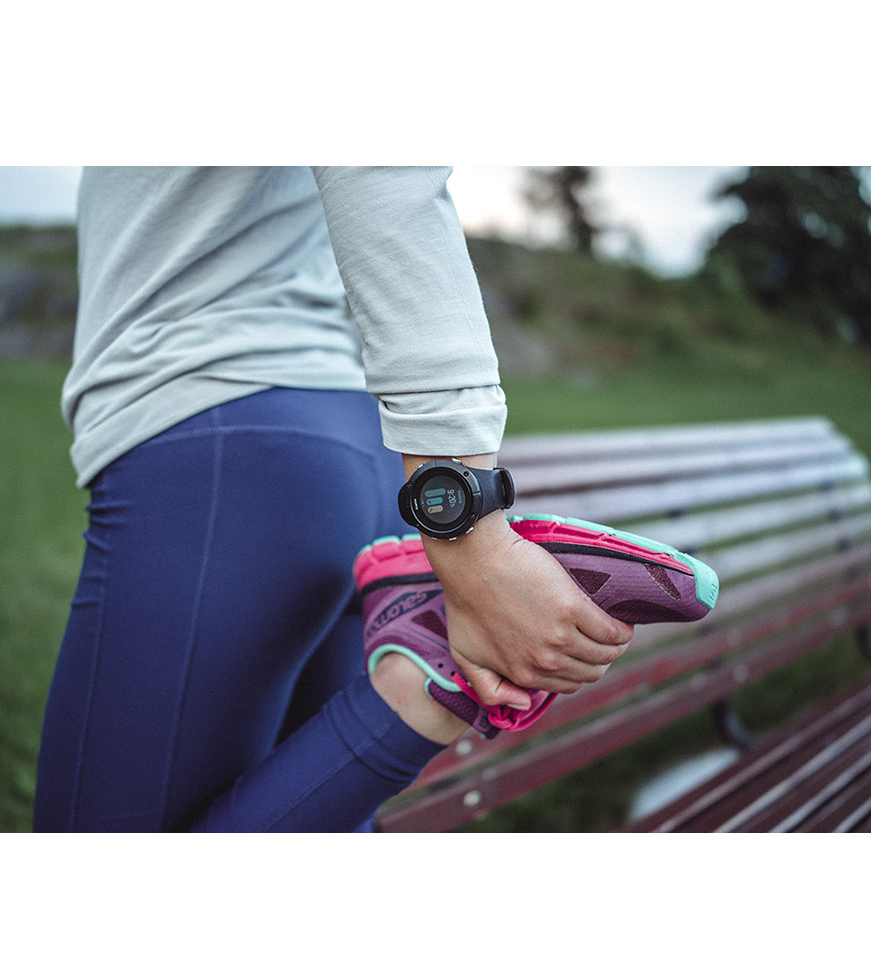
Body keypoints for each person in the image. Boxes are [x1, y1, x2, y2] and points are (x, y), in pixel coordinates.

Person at [33, 166, 634, 833]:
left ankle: (419, 696)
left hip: (224, 454)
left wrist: (471, 532)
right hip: (338, 445)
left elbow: (389, 176)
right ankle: (409, 697)